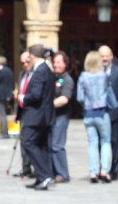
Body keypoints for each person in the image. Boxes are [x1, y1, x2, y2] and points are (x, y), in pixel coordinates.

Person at [19, 44, 55, 190]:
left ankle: (45, 175)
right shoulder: (46, 69)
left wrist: (23, 98)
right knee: (40, 145)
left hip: (36, 116)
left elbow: (36, 95)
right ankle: (42, 177)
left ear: (33, 56)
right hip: (43, 115)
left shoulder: (40, 71)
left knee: (28, 142)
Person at [77, 50, 112, 183]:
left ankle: (93, 172)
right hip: (102, 112)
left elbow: (79, 97)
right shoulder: (104, 75)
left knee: (92, 143)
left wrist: (86, 104)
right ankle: (104, 170)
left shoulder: (83, 76)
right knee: (105, 142)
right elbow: (109, 92)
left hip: (88, 113)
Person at [99, 45, 118, 180]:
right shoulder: (94, 71)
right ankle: (102, 170)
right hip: (98, 114)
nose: (104, 58)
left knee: (115, 143)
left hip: (114, 114)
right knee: (99, 143)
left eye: (106, 55)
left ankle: (114, 170)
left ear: (111, 57)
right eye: (102, 56)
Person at [50, 50, 75, 183]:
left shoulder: (67, 79)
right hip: (51, 116)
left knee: (57, 145)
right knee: (50, 144)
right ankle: (54, 172)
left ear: (65, 64)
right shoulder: (52, 77)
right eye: (54, 62)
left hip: (61, 116)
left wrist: (48, 105)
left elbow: (64, 99)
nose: (56, 65)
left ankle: (63, 174)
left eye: (59, 62)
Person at [13, 51, 34, 178]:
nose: (25, 64)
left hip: (33, 112)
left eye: (27, 61)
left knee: (30, 141)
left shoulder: (36, 75)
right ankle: (26, 167)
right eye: (22, 62)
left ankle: (35, 167)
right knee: (23, 141)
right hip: (23, 112)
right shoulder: (22, 75)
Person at [0, 55, 14, 138]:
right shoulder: (9, 71)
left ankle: (4, 133)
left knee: (2, 114)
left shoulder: (1, 71)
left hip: (0, 95)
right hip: (7, 95)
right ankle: (5, 132)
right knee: (4, 113)